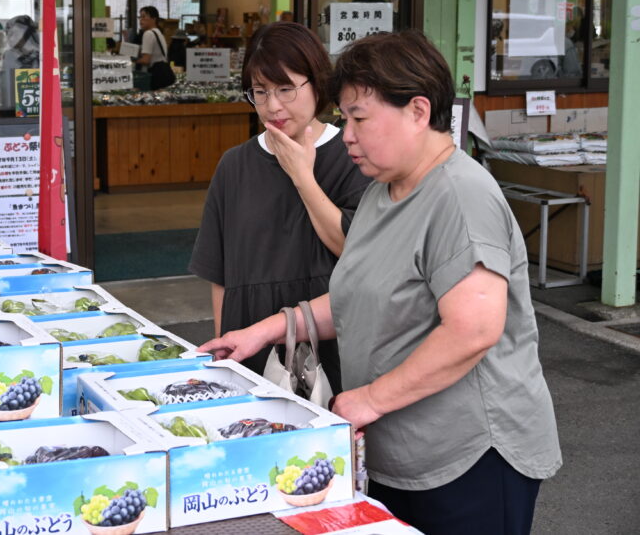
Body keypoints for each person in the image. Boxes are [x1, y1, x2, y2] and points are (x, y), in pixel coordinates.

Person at [200, 30, 561, 535]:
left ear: (417, 111)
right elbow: (355, 295)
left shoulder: (460, 195)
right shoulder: (383, 191)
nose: (346, 134)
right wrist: (265, 330)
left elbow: (473, 330)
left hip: (469, 454)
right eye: (345, 118)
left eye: (359, 119)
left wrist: (369, 399)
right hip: (399, 453)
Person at [189, 22, 371, 390]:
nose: (273, 106)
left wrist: (303, 176)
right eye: (260, 92)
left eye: (286, 89)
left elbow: (353, 249)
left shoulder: (352, 155)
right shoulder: (234, 165)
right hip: (247, 343)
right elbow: (220, 274)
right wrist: (225, 344)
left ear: (317, 82)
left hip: (328, 347)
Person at [135, 5, 167, 70]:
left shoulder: (148, 34)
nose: (141, 20)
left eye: (144, 17)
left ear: (154, 19)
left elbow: (146, 60)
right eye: (140, 17)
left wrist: (132, 62)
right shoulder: (159, 33)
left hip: (155, 74)